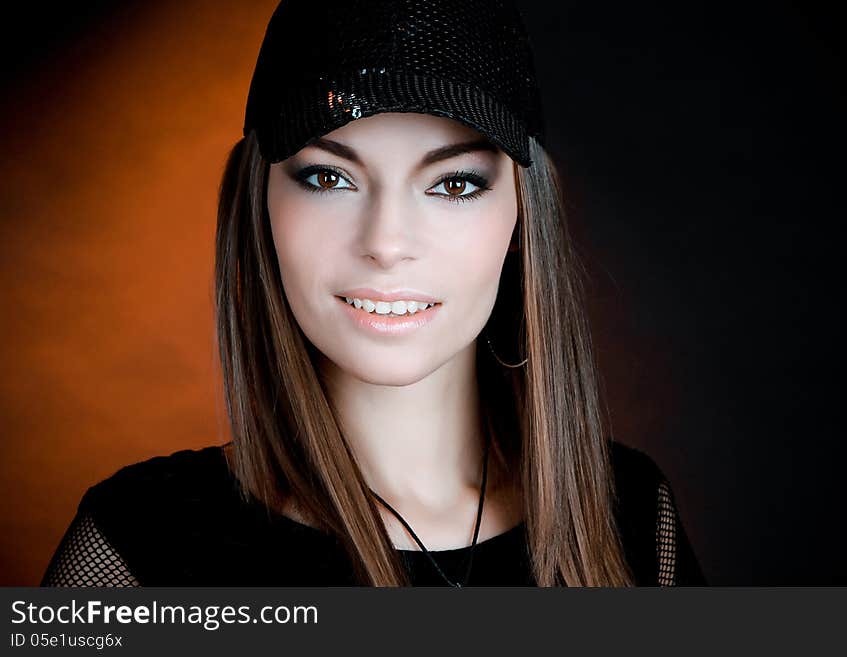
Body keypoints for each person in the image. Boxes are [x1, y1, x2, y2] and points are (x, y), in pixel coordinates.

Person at [41, 0, 706, 587]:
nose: (387, 242)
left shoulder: (632, 515)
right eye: (329, 177)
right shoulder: (141, 549)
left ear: (522, 218)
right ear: (260, 207)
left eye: (453, 184)